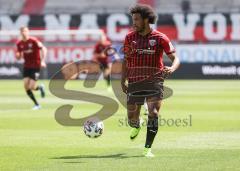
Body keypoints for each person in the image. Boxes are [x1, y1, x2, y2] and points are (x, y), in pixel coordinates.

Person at [121, 4, 180, 157]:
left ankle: (147, 149)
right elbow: (126, 60)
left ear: (147, 20)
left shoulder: (161, 38)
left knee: (153, 113)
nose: (133, 23)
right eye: (132, 19)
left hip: (155, 81)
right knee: (131, 120)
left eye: (136, 20)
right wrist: (122, 80)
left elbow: (175, 58)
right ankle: (137, 124)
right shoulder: (129, 37)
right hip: (134, 81)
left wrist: (172, 68)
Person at [16, 26, 47, 110]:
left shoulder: (34, 41)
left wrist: (43, 60)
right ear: (20, 33)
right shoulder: (19, 43)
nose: (23, 33)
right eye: (22, 31)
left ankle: (40, 87)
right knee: (26, 86)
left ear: (28, 32)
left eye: (25, 31)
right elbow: (18, 55)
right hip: (27, 66)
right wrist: (18, 56)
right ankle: (37, 104)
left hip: (36, 65)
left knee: (32, 86)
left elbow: (43, 48)